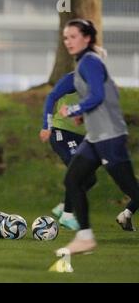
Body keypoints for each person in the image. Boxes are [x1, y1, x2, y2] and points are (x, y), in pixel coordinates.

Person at [43, 18, 139, 255]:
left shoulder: (90, 62)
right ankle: (85, 237)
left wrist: (74, 110)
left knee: (132, 190)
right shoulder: (83, 65)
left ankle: (87, 231)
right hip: (95, 137)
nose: (68, 42)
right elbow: (103, 98)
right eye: (65, 37)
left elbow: (97, 96)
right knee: (73, 180)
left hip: (110, 137)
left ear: (87, 38)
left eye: (73, 36)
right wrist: (83, 117)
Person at [40, 92, 97, 230]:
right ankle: (67, 214)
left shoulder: (95, 85)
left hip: (81, 136)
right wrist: (46, 126)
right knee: (77, 171)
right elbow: (52, 96)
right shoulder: (72, 79)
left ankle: (64, 205)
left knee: (90, 179)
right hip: (62, 132)